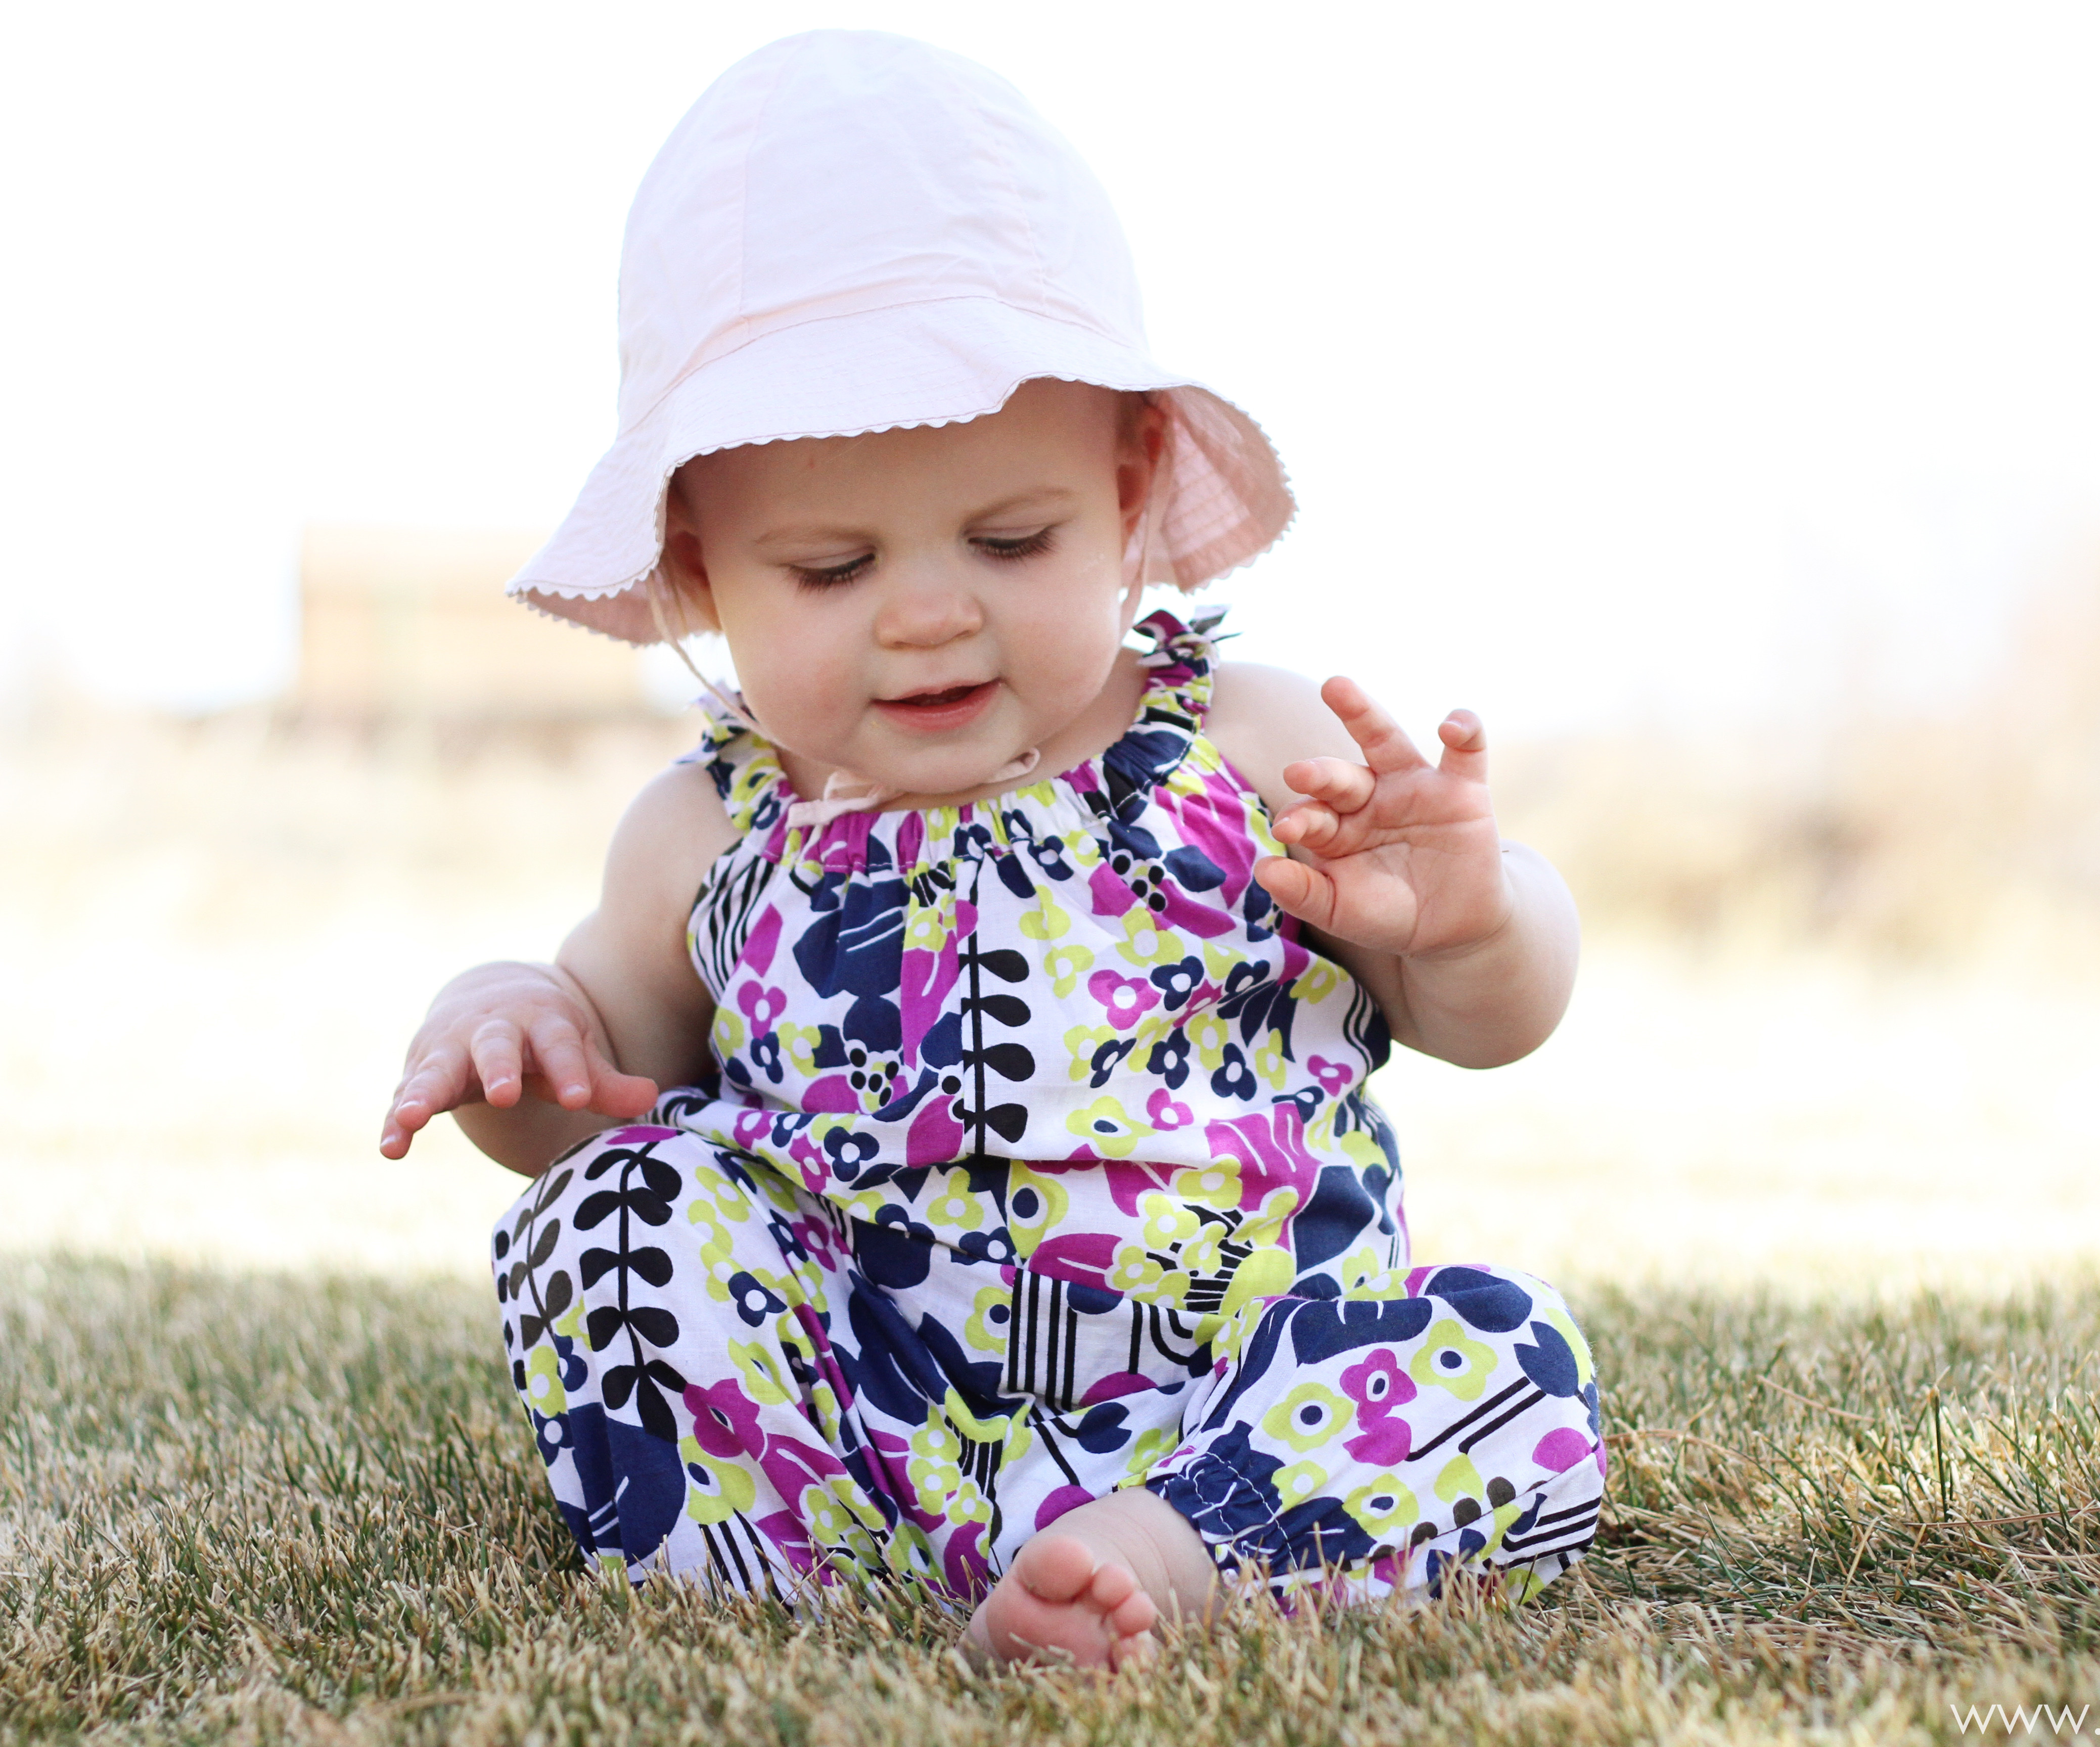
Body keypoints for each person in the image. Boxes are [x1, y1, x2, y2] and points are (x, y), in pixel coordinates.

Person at [381, 30, 1603, 1671]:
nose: (932, 610)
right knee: (615, 1211)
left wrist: (1470, 915)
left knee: (1502, 1355)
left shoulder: (1249, 740)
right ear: (698, 569)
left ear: (1128, 486)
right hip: (855, 1436)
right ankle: (770, 1575)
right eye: (829, 567)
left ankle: (1176, 1554)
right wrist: (509, 1022)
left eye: (1012, 539)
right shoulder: (700, 832)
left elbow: (1490, 1019)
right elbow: (593, 1088)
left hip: (1246, 1396)